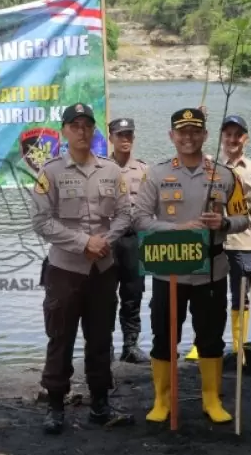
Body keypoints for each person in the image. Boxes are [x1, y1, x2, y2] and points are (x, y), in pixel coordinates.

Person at [133, 108, 251, 424]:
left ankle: (211, 399)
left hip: (211, 270)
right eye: (182, 132)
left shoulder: (225, 175)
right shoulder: (156, 174)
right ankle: (162, 399)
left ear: (205, 135)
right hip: (168, 270)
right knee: (163, 336)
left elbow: (244, 218)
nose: (189, 137)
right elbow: (139, 219)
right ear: (171, 136)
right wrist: (176, 229)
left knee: (211, 337)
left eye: (195, 131)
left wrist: (224, 223)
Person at [30, 103, 135, 434]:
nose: (82, 131)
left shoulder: (111, 171)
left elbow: (125, 214)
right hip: (65, 270)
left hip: (102, 270)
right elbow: (41, 221)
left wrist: (105, 240)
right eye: (75, 126)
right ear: (64, 131)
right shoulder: (50, 173)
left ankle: (100, 404)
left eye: (87, 126)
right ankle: (55, 406)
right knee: (60, 338)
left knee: (101, 338)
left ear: (94, 130)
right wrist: (83, 242)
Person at [186, 115, 251, 360]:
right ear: (221, 137)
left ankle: (240, 348)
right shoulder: (208, 165)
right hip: (213, 241)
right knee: (205, 295)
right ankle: (201, 343)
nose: (232, 140)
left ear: (245, 139)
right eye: (228, 135)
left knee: (242, 294)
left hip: (243, 240)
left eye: (237, 135)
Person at [106, 118, 147, 364]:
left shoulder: (143, 170)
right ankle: (106, 345)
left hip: (134, 239)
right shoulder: (100, 167)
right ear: (110, 137)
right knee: (106, 294)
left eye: (129, 134)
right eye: (120, 135)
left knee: (134, 292)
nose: (125, 139)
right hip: (109, 239)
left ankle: (130, 345)